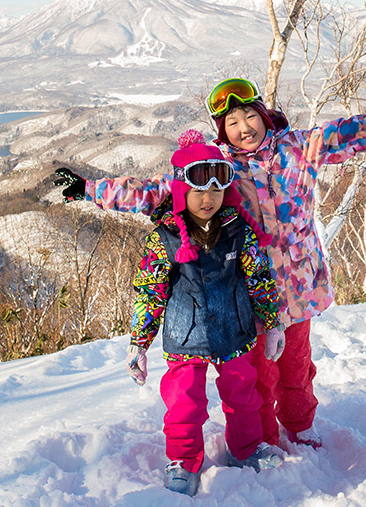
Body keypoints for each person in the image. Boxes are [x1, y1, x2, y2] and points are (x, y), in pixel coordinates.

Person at [56, 76, 366, 450]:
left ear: (263, 114)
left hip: (299, 288)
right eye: (232, 123)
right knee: (259, 377)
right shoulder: (219, 166)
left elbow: (353, 132)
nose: (244, 128)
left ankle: (301, 424)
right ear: (222, 131)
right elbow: (158, 192)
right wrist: (88, 188)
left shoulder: (299, 148)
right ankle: (261, 442)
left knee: (296, 368)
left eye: (249, 116)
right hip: (250, 293)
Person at [125, 129, 287, 496]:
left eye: (216, 190)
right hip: (186, 336)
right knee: (183, 402)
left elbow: (258, 277)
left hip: (234, 330)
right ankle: (183, 459)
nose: (208, 199)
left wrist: (272, 323)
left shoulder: (237, 230)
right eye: (199, 190)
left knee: (243, 396)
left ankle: (245, 448)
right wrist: (139, 342)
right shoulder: (165, 236)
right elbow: (150, 292)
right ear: (183, 190)